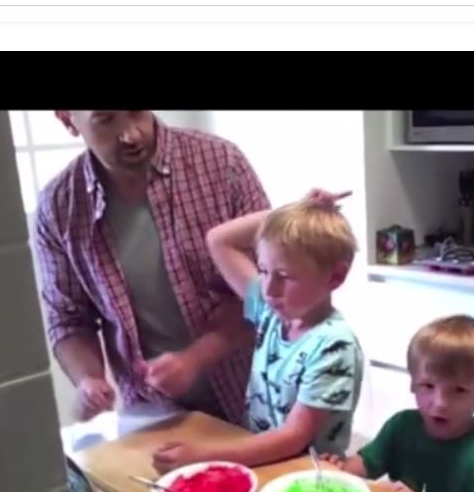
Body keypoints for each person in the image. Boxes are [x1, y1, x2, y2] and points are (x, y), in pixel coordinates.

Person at [31, 111, 269, 427]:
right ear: (66, 118)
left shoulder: (222, 163)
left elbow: (273, 291)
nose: (132, 135)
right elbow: (68, 319)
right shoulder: (59, 207)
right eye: (106, 119)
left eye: (137, 111)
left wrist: (197, 357)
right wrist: (88, 380)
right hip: (153, 416)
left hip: (257, 399)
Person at [151, 190, 363, 471]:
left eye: (284, 276)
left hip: (306, 477)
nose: (269, 288)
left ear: (335, 276)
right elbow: (218, 240)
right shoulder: (270, 311)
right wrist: (297, 208)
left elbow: (293, 437)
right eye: (263, 271)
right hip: (262, 465)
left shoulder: (334, 345)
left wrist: (203, 455)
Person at [327, 315, 474, 492]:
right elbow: (364, 465)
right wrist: (337, 470)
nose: (440, 403)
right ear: (413, 383)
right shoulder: (401, 426)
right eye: (428, 386)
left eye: (459, 390)